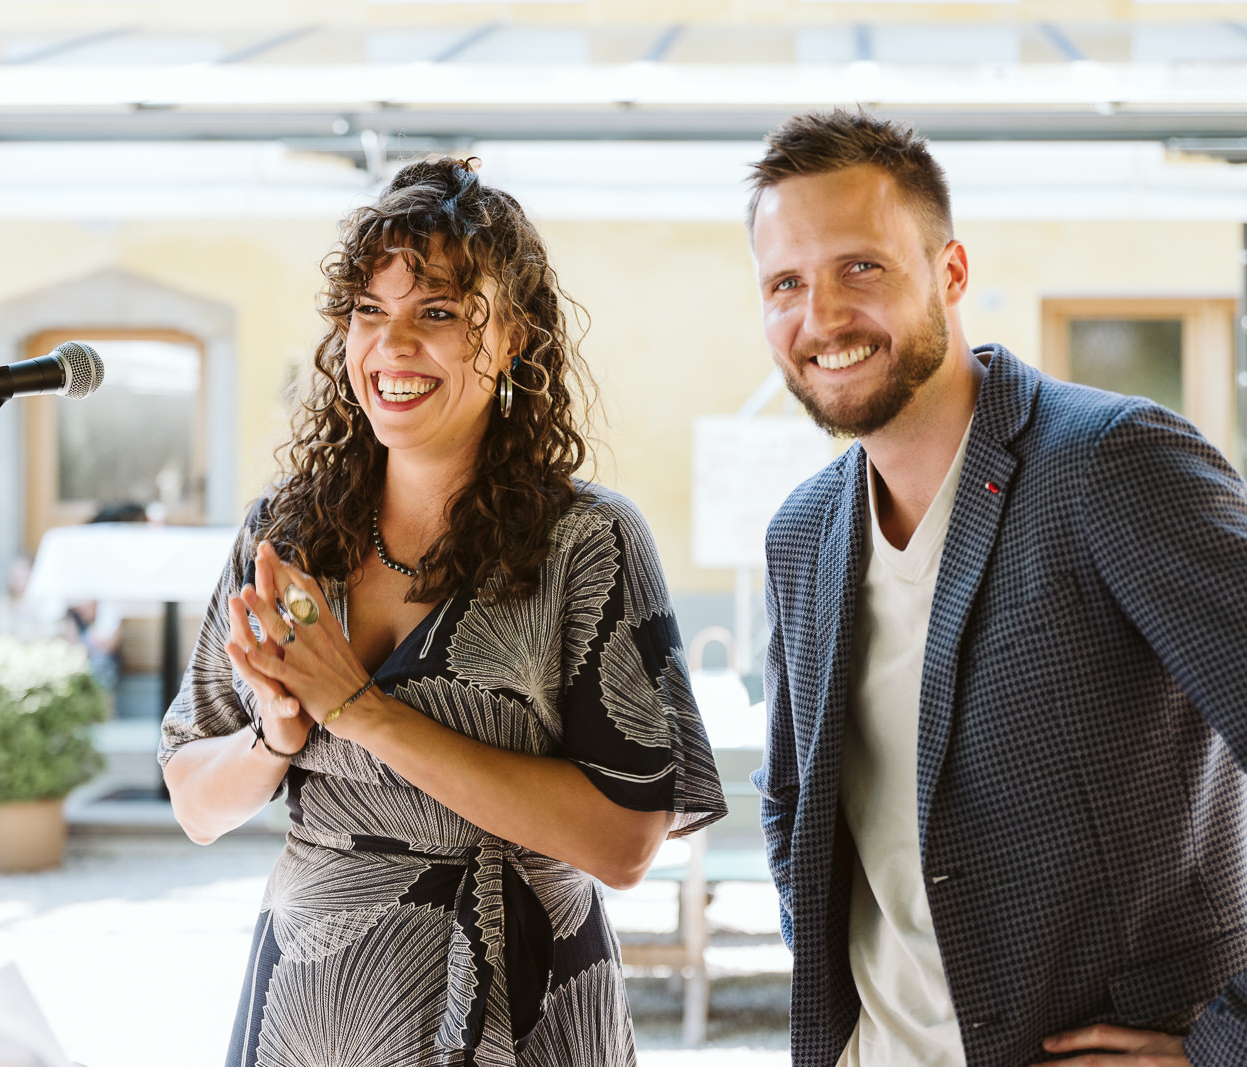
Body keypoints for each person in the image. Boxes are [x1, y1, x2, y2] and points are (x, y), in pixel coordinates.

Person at [159, 158, 726, 1066]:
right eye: (370, 313)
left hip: (522, 1000)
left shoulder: (589, 541)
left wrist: (362, 710)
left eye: (437, 313)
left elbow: (625, 841)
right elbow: (194, 798)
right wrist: (273, 733)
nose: (392, 346)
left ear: (510, 339)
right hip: (308, 1012)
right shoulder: (285, 529)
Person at [747, 108, 1247, 1067]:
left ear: (951, 272)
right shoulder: (802, 534)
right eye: (785, 284)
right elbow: (793, 803)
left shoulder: (1109, 464)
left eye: (862, 267)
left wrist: (1223, 1046)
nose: (822, 318)